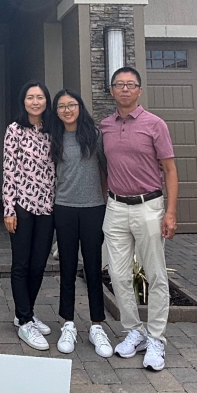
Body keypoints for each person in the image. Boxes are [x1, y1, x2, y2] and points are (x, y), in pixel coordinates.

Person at [100, 67, 178, 371]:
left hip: (149, 207)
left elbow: (170, 170)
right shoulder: (105, 126)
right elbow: (104, 168)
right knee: (118, 276)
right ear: (111, 90)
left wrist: (170, 212)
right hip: (116, 208)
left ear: (139, 90)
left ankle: (156, 338)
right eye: (119, 85)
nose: (124, 89)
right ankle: (134, 330)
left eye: (130, 85)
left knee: (156, 274)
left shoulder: (155, 125)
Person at [49, 89, 113, 358]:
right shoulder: (53, 138)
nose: (67, 110)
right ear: (56, 111)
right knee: (66, 268)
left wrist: (108, 202)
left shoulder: (94, 136)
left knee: (93, 269)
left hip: (93, 209)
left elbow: (108, 170)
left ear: (80, 107)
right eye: (61, 106)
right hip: (63, 208)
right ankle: (68, 324)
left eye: (71, 105)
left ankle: (97, 326)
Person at [2, 80, 56, 351]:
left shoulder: (52, 130)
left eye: (40, 97)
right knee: (21, 264)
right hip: (22, 206)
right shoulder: (15, 130)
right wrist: (9, 209)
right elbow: (9, 171)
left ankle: (27, 311)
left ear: (47, 101)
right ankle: (24, 321)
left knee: (38, 264)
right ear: (23, 101)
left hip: (48, 206)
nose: (36, 102)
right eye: (30, 97)